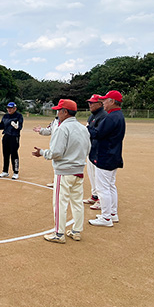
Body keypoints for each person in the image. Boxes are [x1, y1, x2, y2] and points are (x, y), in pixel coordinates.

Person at [32, 99, 91, 243]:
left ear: (65, 112)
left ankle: (59, 233)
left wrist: (42, 152)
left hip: (64, 171)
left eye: (59, 110)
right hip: (79, 170)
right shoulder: (83, 128)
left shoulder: (62, 128)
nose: (57, 113)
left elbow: (56, 152)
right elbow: (88, 149)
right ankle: (76, 231)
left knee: (60, 203)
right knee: (77, 202)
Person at [88, 90, 126, 227]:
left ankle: (106, 218)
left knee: (103, 188)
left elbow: (98, 133)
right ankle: (112, 214)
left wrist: (87, 129)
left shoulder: (111, 117)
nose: (103, 102)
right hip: (113, 155)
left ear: (112, 101)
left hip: (106, 155)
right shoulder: (118, 115)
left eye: (105, 100)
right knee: (110, 186)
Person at [84, 94, 108, 210]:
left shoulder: (103, 116)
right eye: (89, 102)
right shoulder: (92, 115)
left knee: (98, 176)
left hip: (99, 150)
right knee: (91, 173)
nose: (90, 105)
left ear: (100, 103)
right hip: (91, 148)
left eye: (92, 103)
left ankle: (100, 199)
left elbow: (99, 133)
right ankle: (94, 195)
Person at [0, 101, 24, 179]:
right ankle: (5, 171)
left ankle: (15, 172)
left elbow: (19, 127)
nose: (9, 109)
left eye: (11, 108)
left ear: (15, 108)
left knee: (14, 154)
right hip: (6, 136)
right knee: (5, 154)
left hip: (14, 137)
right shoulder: (5, 116)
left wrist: (16, 126)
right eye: (8, 108)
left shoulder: (19, 116)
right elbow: (1, 126)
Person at [33, 114, 60, 187]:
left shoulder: (66, 123)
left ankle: (59, 182)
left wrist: (42, 152)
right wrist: (41, 130)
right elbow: (49, 130)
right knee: (56, 164)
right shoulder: (55, 121)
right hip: (54, 145)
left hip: (61, 147)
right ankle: (56, 181)